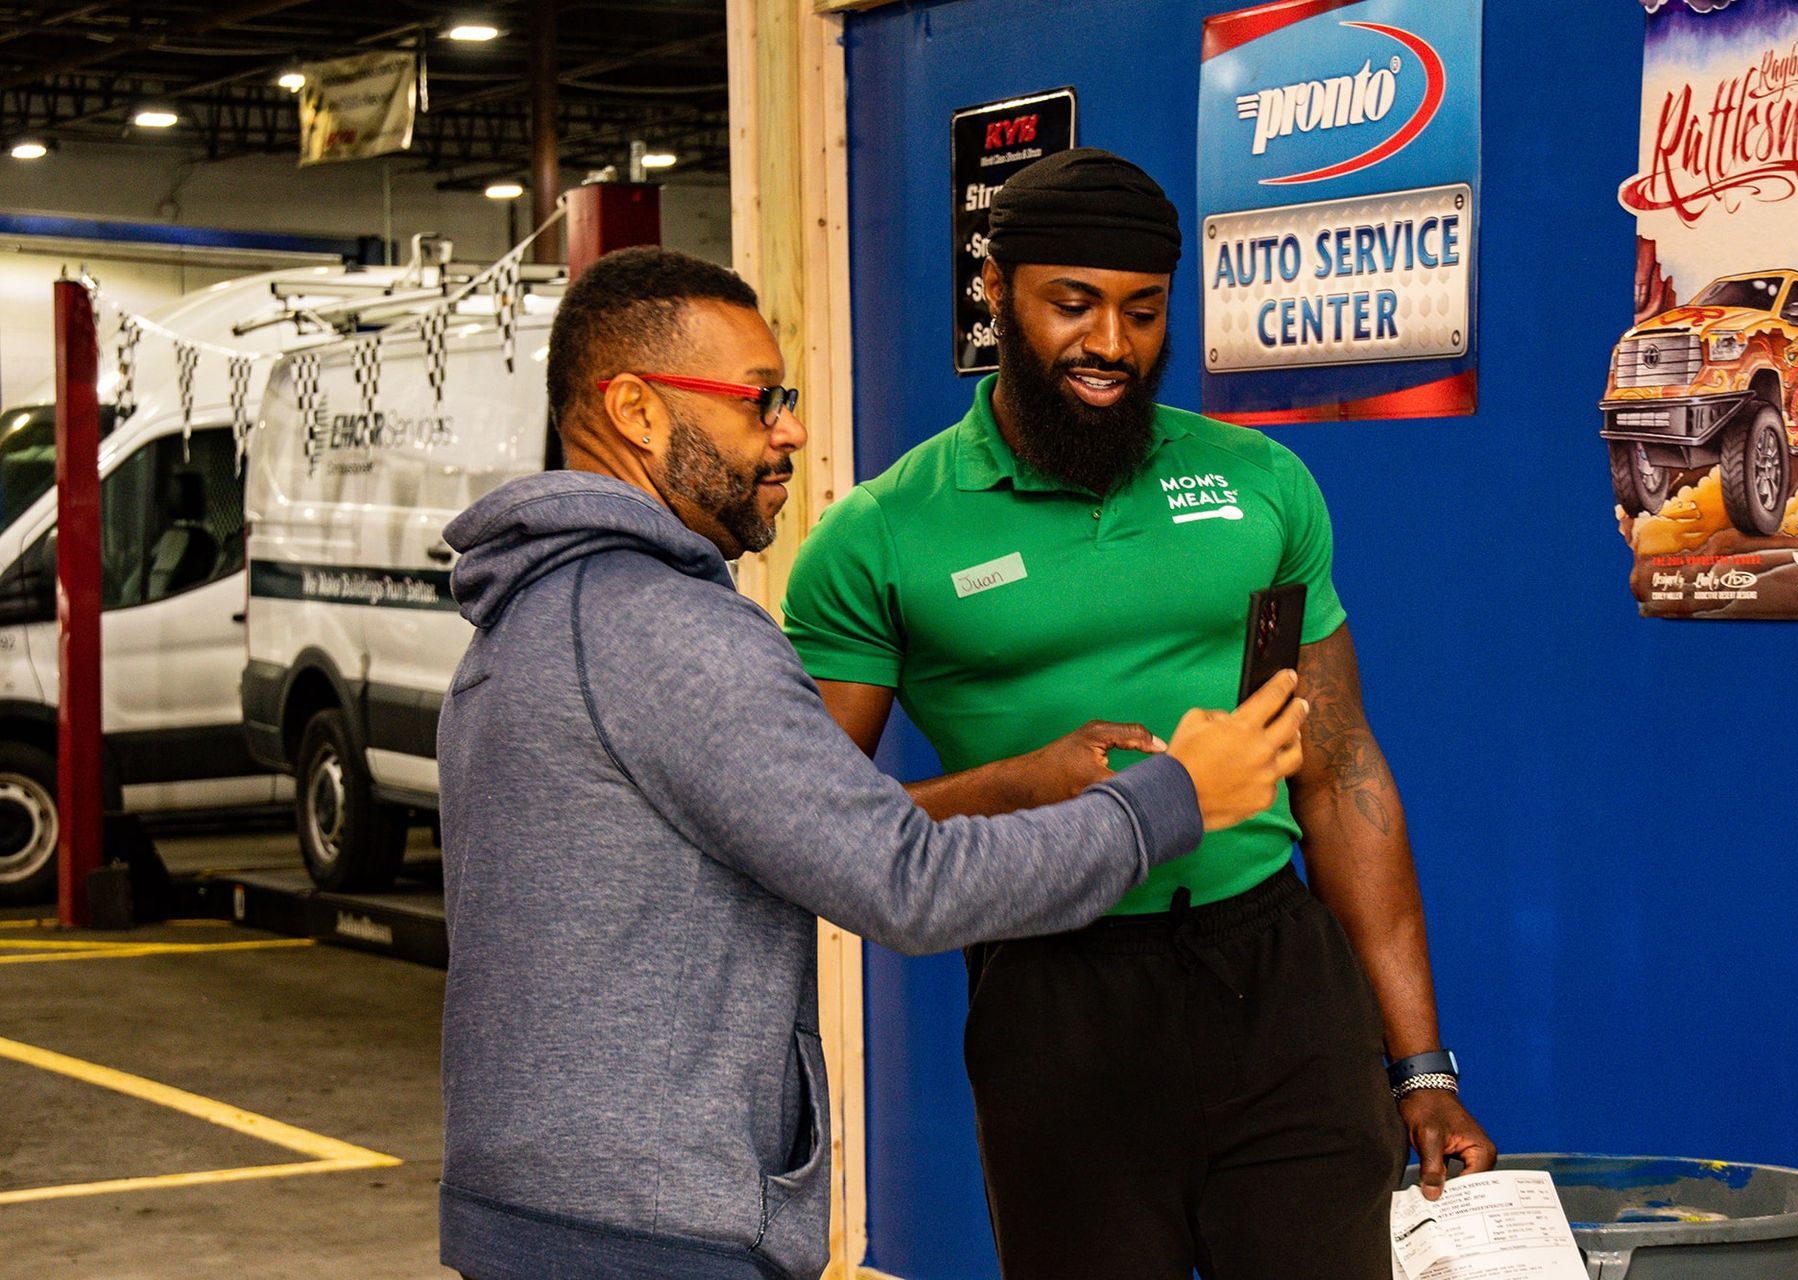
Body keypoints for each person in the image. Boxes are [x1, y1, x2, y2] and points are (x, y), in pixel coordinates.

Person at [433, 245, 1312, 1280]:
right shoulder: (671, 633)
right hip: (650, 1221)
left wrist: (1010, 785)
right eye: (760, 400)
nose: (790, 429)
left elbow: (794, 830)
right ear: (634, 407)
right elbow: (904, 885)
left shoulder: (534, 617)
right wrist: (1176, 796)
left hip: (546, 1201)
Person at [783, 149, 1496, 1279]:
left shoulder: (1262, 483)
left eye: (1140, 310)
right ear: (995, 290)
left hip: (1278, 978)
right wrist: (1020, 784)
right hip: (1057, 990)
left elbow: (1340, 764)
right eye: (1071, 304)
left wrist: (1421, 1064)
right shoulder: (880, 534)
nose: (1109, 344)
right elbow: (809, 830)